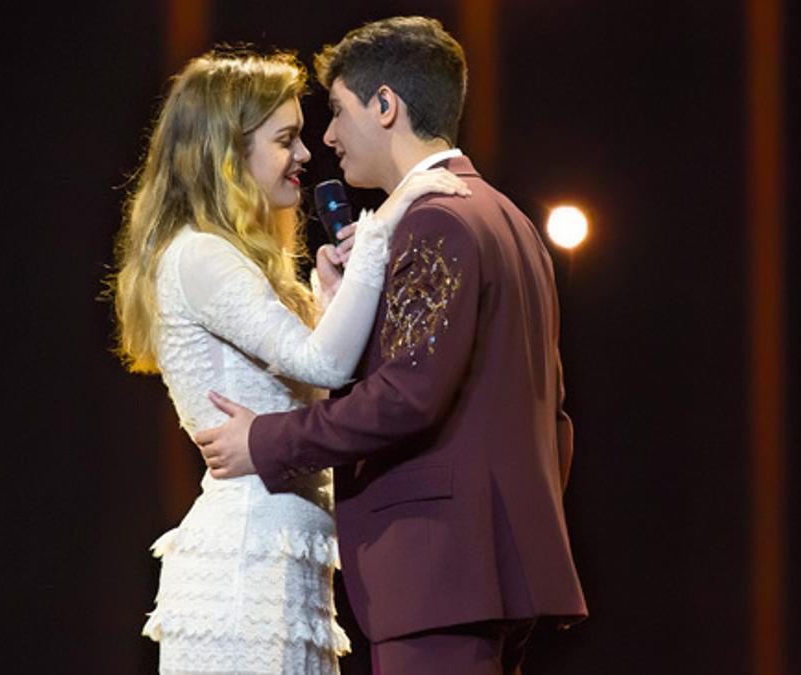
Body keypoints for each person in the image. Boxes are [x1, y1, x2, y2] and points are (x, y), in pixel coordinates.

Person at [195, 18, 588, 674]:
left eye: (339, 111)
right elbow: (552, 413)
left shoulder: (436, 220)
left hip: (440, 571)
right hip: (488, 571)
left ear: (386, 106)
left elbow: (407, 395)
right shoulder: (508, 218)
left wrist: (265, 439)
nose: (327, 137)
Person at [110, 48, 470, 674]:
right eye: (286, 139)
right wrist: (386, 228)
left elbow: (313, 380)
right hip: (246, 561)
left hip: (281, 554)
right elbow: (325, 366)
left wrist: (333, 296)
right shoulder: (200, 255)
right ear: (228, 153)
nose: (307, 155)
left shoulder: (233, 257)